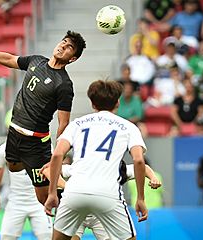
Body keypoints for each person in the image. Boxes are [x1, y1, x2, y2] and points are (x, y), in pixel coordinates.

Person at [0, 27, 86, 205]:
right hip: (14, 134)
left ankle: (76, 201)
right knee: (13, 167)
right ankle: (53, 176)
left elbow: (63, 122)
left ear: (73, 58)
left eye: (69, 47)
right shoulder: (37, 61)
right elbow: (9, 59)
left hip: (35, 143)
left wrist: (58, 155)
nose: (63, 46)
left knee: (43, 198)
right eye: (64, 41)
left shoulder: (64, 84)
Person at [44, 80, 148, 240]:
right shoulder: (128, 127)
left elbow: (57, 155)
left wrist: (52, 193)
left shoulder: (76, 124)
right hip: (108, 194)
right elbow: (139, 161)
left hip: (74, 192)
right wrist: (140, 198)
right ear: (117, 102)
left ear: (92, 103)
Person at [0, 142, 52, 240]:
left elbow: (54, 168)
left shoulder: (45, 145)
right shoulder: (6, 148)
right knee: (5, 237)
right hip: (15, 202)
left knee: (47, 237)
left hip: (39, 202)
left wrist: (52, 193)